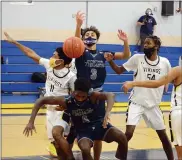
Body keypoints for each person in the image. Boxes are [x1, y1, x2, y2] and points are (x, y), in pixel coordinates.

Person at [4, 32, 77, 157]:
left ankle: (69, 156)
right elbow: (30, 53)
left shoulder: (71, 77)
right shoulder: (49, 65)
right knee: (55, 142)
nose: (51, 57)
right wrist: (14, 42)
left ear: (60, 60)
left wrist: (68, 107)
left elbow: (75, 95)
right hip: (49, 108)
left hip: (61, 109)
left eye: (54, 56)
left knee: (58, 136)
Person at [72, 11, 131, 160]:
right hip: (83, 96)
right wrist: (78, 25)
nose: (90, 36)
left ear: (97, 38)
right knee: (80, 129)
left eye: (92, 34)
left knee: (99, 131)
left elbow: (125, 56)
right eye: (86, 34)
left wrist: (125, 41)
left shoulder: (104, 54)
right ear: (83, 39)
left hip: (99, 95)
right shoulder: (80, 52)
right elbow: (74, 42)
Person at [105, 35, 174, 160]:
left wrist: (166, 85)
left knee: (163, 136)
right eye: (145, 43)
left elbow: (168, 78)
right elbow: (119, 71)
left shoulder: (165, 62)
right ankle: (118, 158)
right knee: (129, 133)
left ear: (156, 46)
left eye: (148, 43)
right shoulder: (137, 58)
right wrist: (110, 61)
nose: (145, 45)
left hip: (153, 105)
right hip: (136, 102)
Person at [23, 78, 128, 160]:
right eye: (78, 95)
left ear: (88, 93)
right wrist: (31, 122)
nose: (80, 98)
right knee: (85, 149)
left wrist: (108, 112)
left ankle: (122, 157)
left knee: (122, 137)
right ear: (74, 92)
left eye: (83, 96)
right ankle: (68, 156)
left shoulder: (93, 96)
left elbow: (111, 95)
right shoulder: (66, 100)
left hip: (99, 125)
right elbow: (40, 101)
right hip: (83, 130)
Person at [122, 56, 182, 160]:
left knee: (172, 144)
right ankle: (119, 155)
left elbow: (157, 83)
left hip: (171, 110)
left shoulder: (175, 68)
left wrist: (133, 83)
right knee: (129, 133)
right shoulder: (139, 59)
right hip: (138, 101)